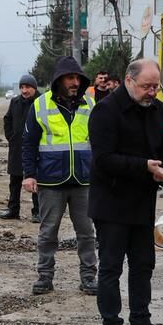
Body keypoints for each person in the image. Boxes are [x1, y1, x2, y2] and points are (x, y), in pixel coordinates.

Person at [88, 58, 163, 325]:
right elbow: (103, 160)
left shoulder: (157, 109)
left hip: (142, 201)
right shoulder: (106, 111)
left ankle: (140, 320)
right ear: (129, 81)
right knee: (111, 267)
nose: (152, 92)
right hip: (111, 203)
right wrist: (144, 168)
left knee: (143, 265)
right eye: (146, 87)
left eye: (156, 86)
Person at [22, 56, 99, 298]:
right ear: (59, 80)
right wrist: (29, 174)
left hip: (84, 181)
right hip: (50, 181)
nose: (75, 82)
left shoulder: (90, 104)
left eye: (77, 78)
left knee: (86, 232)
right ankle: (45, 277)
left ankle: (88, 277)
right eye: (70, 78)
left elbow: (99, 140)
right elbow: (29, 143)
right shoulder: (40, 105)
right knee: (48, 232)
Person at [0, 74, 40, 221]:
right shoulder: (15, 102)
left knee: (36, 180)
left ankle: (38, 211)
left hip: (36, 148)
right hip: (17, 147)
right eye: (22, 87)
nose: (24, 90)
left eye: (27, 87)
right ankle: (13, 209)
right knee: (14, 181)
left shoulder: (41, 103)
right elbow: (7, 119)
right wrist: (11, 136)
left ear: (34, 88)